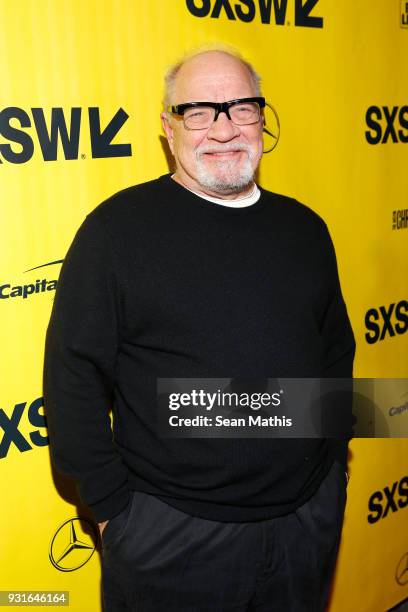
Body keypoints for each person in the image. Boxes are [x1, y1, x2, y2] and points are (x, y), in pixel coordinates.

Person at [44, 47, 355, 611]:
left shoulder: (306, 229)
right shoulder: (116, 232)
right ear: (168, 128)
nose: (224, 128)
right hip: (170, 538)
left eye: (242, 108)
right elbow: (73, 379)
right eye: (199, 111)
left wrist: (331, 472)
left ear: (262, 118)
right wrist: (116, 513)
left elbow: (336, 351)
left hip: (304, 524)